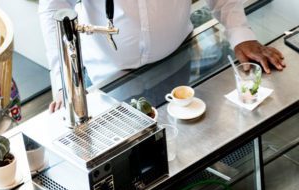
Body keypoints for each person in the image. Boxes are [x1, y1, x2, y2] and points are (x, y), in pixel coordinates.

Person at [38, 0, 285, 111]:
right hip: (108, 80)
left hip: (178, 62)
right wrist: (64, 80)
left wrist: (241, 33)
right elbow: (54, 7)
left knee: (186, 149)